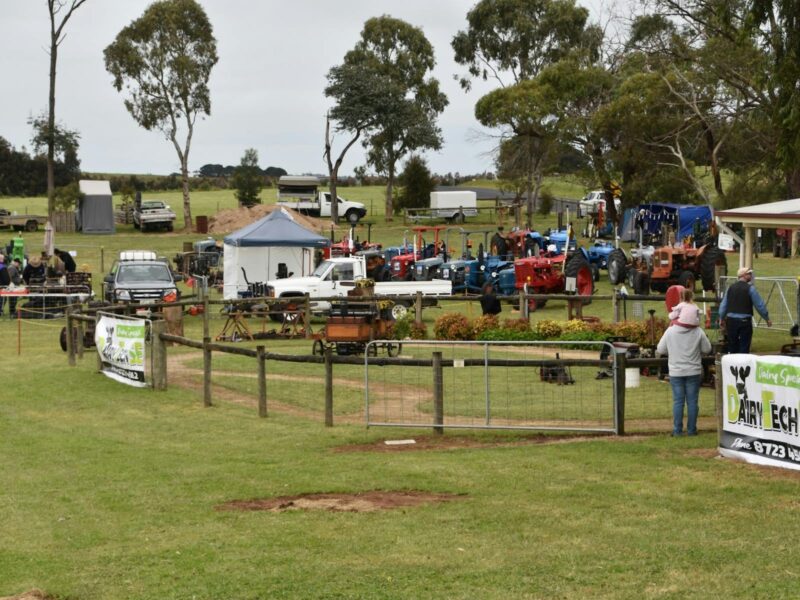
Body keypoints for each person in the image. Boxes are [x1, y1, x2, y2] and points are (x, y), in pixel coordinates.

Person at [656, 317, 712, 436]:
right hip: (693, 371)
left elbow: (660, 349)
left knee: (678, 401)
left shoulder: (670, 331)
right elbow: (707, 349)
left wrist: (672, 350)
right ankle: (692, 430)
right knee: (692, 402)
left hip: (676, 372)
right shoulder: (698, 331)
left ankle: (677, 430)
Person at [719, 267, 771, 353]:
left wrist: (721, 318)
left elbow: (723, 305)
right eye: (749, 273)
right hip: (745, 322)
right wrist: (766, 318)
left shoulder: (730, 288)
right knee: (744, 347)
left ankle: (733, 365)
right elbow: (759, 305)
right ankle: (743, 365)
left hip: (731, 321)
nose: (751, 275)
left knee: (732, 347)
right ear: (743, 275)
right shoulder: (750, 289)